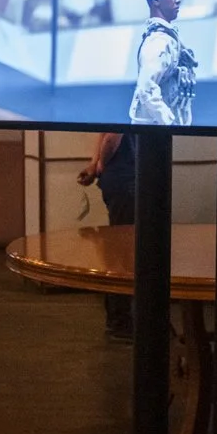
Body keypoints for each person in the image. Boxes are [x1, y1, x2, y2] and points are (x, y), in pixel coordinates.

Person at [76, 131, 135, 340]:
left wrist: (95, 165)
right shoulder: (127, 101)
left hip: (118, 180)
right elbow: (112, 136)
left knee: (118, 251)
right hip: (127, 180)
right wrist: (100, 163)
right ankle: (119, 321)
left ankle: (120, 318)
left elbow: (104, 133)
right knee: (124, 254)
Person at [130, 0, 197, 126]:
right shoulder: (158, 42)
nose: (178, 0)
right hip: (154, 132)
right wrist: (169, 124)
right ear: (156, 0)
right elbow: (146, 88)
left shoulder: (170, 39)